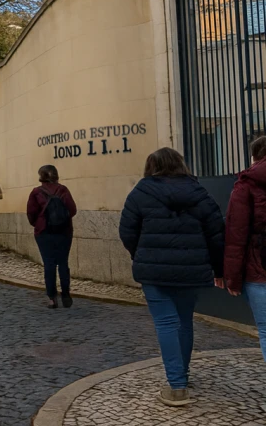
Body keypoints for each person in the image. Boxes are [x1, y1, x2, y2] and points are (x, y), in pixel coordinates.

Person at [119, 148, 225, 407]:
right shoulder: (199, 193)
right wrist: (218, 268)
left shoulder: (140, 193)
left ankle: (177, 386)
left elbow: (127, 232)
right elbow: (216, 234)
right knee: (184, 321)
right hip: (191, 270)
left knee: (166, 323)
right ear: (180, 164)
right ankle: (182, 376)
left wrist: (141, 254)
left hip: (154, 272)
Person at [224, 136, 266, 364]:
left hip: (258, 267)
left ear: (254, 157)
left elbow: (235, 236)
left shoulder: (246, 185)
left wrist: (232, 278)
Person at [26, 165, 77, 310]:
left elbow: (31, 213)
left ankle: (52, 298)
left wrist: (40, 223)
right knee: (63, 263)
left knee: (48, 264)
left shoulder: (36, 192)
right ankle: (66, 294)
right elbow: (72, 210)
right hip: (64, 232)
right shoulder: (63, 190)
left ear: (41, 176)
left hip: (44, 232)